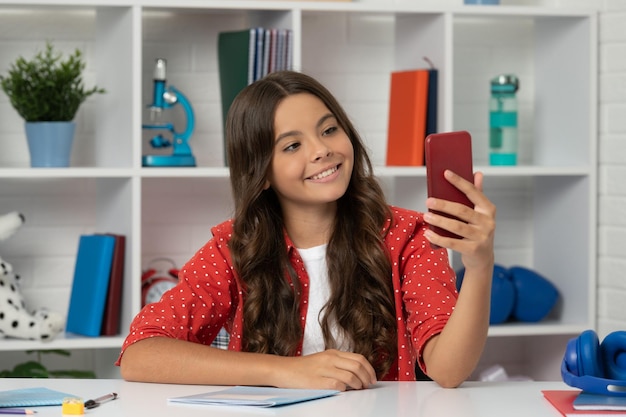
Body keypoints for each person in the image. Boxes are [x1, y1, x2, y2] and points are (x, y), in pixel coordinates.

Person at [117, 70, 496, 391]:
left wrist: (479, 265)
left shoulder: (407, 237)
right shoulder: (233, 250)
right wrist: (282, 370)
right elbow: (139, 353)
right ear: (261, 173)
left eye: (329, 129)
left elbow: (449, 370)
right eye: (293, 145)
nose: (320, 150)